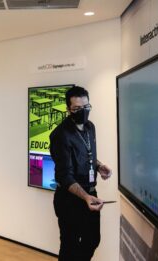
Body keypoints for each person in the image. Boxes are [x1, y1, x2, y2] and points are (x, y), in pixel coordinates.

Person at [49, 86, 112, 260]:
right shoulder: (60, 135)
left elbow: (85, 154)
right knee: (70, 246)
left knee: (92, 240)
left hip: (90, 194)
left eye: (86, 107)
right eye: (77, 108)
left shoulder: (90, 127)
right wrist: (85, 197)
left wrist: (98, 166)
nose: (83, 112)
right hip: (69, 200)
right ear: (68, 109)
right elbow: (64, 175)